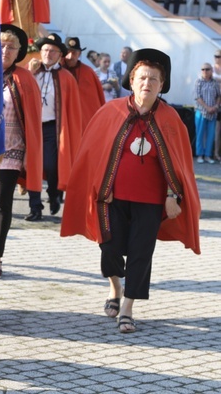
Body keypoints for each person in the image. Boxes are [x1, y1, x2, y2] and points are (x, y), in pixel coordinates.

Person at [61, 48, 201, 334]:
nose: (147, 83)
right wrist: (101, 187)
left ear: (162, 85)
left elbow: (180, 164)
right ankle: (115, 287)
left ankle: (127, 308)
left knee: (140, 254)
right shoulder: (109, 112)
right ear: (131, 80)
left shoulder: (171, 119)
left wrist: (174, 195)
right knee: (109, 247)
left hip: (150, 202)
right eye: (142, 77)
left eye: (154, 79)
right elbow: (93, 155)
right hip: (112, 198)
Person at [0, 24, 42, 278]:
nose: (5, 50)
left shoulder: (25, 79)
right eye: (1, 45)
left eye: (11, 47)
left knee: (1, 203)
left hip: (11, 150)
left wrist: (29, 152)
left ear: (19, 52)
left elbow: (33, 120)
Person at [25, 33, 82, 221]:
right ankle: (35, 207)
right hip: (31, 126)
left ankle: (53, 194)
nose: (48, 54)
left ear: (59, 55)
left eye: (53, 51)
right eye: (45, 50)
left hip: (52, 128)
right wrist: (30, 72)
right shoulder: (30, 71)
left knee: (50, 165)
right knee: (31, 166)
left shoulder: (66, 78)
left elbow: (72, 110)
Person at [63, 36, 105, 131]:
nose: (70, 56)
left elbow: (96, 100)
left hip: (85, 121)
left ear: (79, 54)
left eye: (74, 53)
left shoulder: (88, 72)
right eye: (67, 52)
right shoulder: (57, 71)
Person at [194, 63, 219, 164]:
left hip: (213, 112)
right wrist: (207, 107)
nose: (205, 71)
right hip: (201, 112)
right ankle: (200, 155)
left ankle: (208, 155)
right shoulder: (198, 82)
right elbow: (197, 97)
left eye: (207, 69)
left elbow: (219, 95)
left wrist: (216, 106)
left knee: (210, 135)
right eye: (203, 69)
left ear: (211, 70)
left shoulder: (215, 83)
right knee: (200, 134)